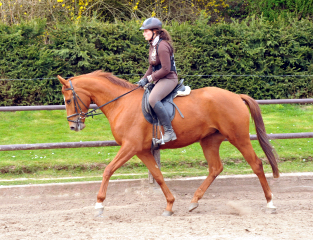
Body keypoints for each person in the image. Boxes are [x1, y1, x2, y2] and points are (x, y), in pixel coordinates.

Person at [138, 17, 178, 144]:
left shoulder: (162, 46)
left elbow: (166, 69)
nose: (143, 33)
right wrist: (142, 80)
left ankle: (169, 132)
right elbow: (152, 66)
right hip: (160, 79)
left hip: (169, 79)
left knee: (153, 99)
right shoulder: (153, 45)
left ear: (154, 32)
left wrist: (149, 79)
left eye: (146, 31)